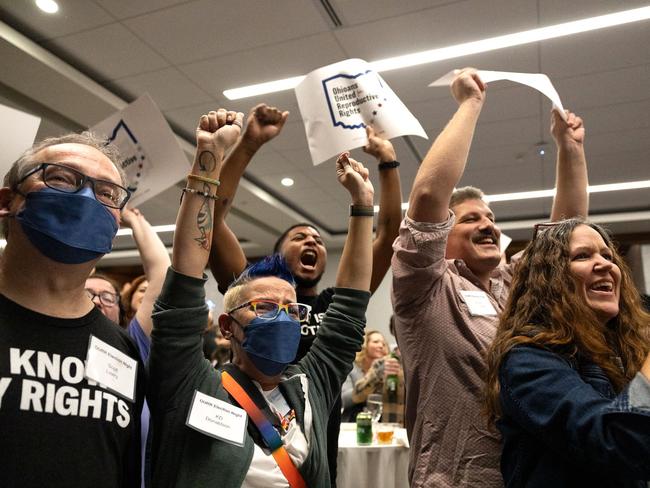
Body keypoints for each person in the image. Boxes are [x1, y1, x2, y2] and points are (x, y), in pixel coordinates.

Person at [148, 107, 374, 488]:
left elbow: (351, 306)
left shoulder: (309, 384)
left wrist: (363, 202)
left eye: (290, 309)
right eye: (265, 308)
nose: (283, 319)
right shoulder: (192, 381)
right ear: (227, 325)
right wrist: (209, 158)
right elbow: (185, 278)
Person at [391, 68, 589, 487]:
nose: (489, 226)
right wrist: (470, 103)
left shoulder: (512, 283)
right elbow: (427, 197)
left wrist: (569, 150)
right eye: (471, 219)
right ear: (443, 235)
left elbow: (565, 234)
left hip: (531, 473)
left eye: (492, 218)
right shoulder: (424, 286)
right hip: (457, 477)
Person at [207, 103, 403, 485]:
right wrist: (248, 143)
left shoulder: (333, 309)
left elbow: (389, 231)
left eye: (317, 239)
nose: (311, 240)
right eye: (299, 237)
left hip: (313, 448)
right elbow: (213, 218)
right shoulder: (249, 292)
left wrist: (388, 163)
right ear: (276, 256)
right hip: (244, 436)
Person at [0, 132, 145, 487]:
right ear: (7, 201)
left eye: (107, 194)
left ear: (115, 228)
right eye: (62, 178)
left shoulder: (122, 349)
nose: (86, 199)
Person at [484, 219, 650, 487]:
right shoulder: (527, 361)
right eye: (583, 256)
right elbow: (612, 441)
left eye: (608, 255)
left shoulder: (625, 351)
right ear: (549, 280)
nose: (606, 264)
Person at [341, 330, 403, 424]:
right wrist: (374, 376)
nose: (381, 345)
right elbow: (344, 399)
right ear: (364, 344)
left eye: (384, 343)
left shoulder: (392, 371)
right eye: (375, 342)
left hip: (381, 424)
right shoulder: (351, 368)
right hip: (354, 422)